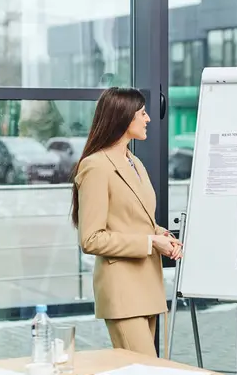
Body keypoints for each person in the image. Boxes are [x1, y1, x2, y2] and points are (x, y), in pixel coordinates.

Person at [71, 87, 182, 358]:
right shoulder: (96, 166)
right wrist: (149, 242)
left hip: (147, 286)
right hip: (122, 290)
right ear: (123, 118)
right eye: (142, 114)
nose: (149, 119)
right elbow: (91, 238)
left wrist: (162, 235)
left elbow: (137, 218)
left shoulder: (134, 162)